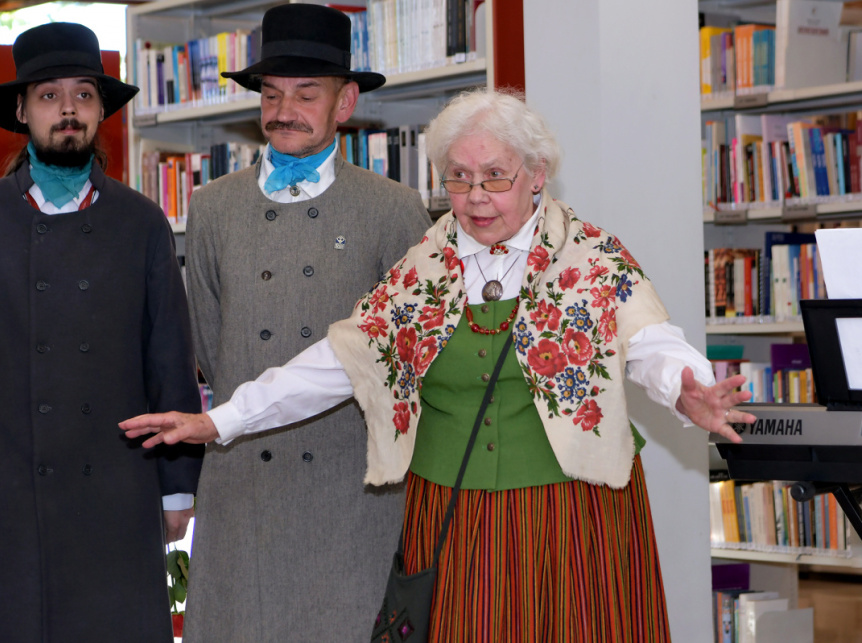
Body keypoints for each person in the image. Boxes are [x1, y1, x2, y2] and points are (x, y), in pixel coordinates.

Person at [123, 88, 757, 642]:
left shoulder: (590, 258)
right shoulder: (424, 266)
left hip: (569, 511)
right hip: (453, 515)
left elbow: (648, 338)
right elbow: (340, 360)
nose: (475, 197)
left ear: (537, 175)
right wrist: (220, 421)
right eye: (458, 178)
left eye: (495, 177)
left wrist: (686, 388)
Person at [0, 23, 203, 642]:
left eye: (83, 94)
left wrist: (177, 488)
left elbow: (169, 359)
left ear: (100, 110)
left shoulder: (143, 222)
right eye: (49, 95)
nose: (68, 108)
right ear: (21, 110)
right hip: (3, 490)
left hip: (116, 491)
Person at [180, 4, 432, 641]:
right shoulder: (212, 207)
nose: (283, 110)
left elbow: (408, 358)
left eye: (305, 94)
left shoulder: (393, 208)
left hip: (351, 491)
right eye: (271, 94)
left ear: (345, 102)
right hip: (243, 482)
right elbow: (209, 342)